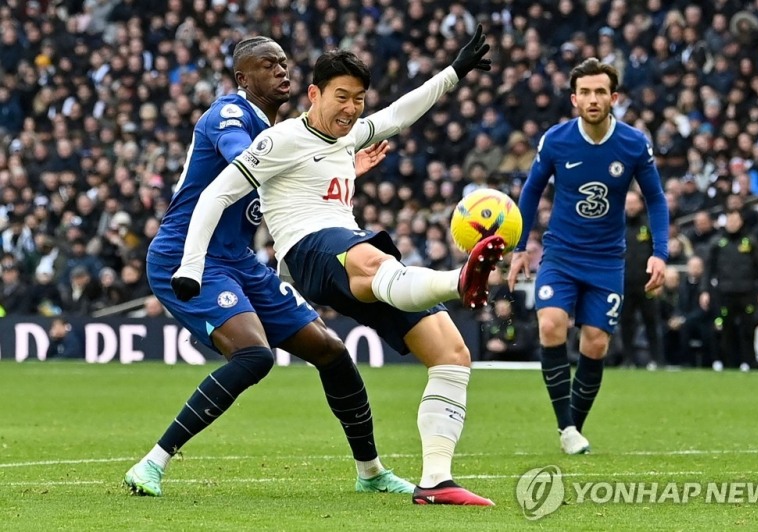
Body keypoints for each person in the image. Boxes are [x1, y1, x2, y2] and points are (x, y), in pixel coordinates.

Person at [172, 27, 499, 506]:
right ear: (314, 94)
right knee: (370, 256)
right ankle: (458, 280)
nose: (351, 109)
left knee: (451, 353)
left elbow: (400, 113)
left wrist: (454, 72)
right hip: (309, 250)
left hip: (352, 256)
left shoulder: (351, 136)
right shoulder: (278, 140)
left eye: (358, 99)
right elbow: (216, 194)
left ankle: (436, 481)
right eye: (341, 97)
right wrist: (191, 266)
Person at [124, 37, 410, 498]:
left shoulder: (281, 130)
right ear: (243, 78)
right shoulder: (229, 115)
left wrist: (338, 169)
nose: (281, 70)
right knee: (255, 356)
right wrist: (323, 162)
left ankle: (371, 472)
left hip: (238, 259)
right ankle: (152, 463)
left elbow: (287, 175)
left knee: (330, 350)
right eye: (268, 64)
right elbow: (247, 158)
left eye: (283, 62)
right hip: (188, 255)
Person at [508, 58, 669, 455]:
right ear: (574, 99)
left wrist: (660, 253)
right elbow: (531, 191)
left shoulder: (633, 143)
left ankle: (571, 428)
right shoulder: (556, 140)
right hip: (561, 255)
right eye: (585, 92)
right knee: (551, 324)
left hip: (607, 261)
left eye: (600, 92)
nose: (593, 99)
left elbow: (655, 198)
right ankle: (567, 427)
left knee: (595, 344)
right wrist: (520, 247)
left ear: (614, 98)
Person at [699, 208, 758, 372]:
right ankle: (725, 361)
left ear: (741, 222)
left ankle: (748, 362)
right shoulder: (718, 243)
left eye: (735, 220)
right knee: (723, 328)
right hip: (724, 293)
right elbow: (708, 269)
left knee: (747, 328)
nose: (732, 224)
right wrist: (704, 290)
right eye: (730, 221)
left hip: (747, 292)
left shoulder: (750, 242)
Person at [618, 190, 663, 369]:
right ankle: (628, 360)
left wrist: (658, 279)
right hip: (624, 283)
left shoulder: (649, 226)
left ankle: (657, 359)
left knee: (651, 321)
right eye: (627, 203)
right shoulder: (617, 226)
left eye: (633, 203)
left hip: (647, 283)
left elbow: (658, 253)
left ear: (640, 205)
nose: (630, 207)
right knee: (626, 322)